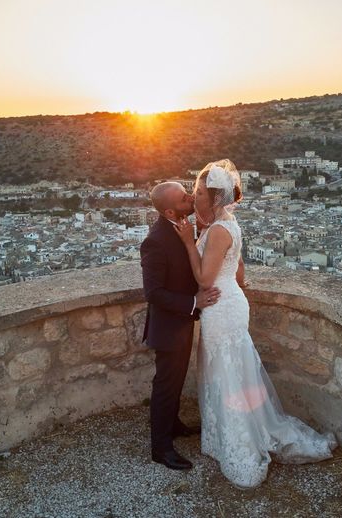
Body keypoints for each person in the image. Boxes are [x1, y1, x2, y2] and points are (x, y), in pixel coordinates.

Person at [173, 159, 337, 488]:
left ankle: (238, 444)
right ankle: (234, 434)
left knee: (225, 373)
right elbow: (240, 272)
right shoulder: (228, 224)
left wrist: (190, 244)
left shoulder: (218, 230)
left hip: (220, 307)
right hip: (230, 302)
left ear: (214, 196)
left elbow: (205, 280)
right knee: (236, 369)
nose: (196, 196)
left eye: (200, 191)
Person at [140, 181, 221, 470]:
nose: (191, 198)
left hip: (182, 323)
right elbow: (153, 293)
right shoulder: (156, 240)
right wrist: (193, 302)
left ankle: (173, 425)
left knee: (174, 382)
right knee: (165, 386)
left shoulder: (183, 226)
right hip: (168, 327)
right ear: (171, 210)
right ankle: (160, 449)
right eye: (185, 197)